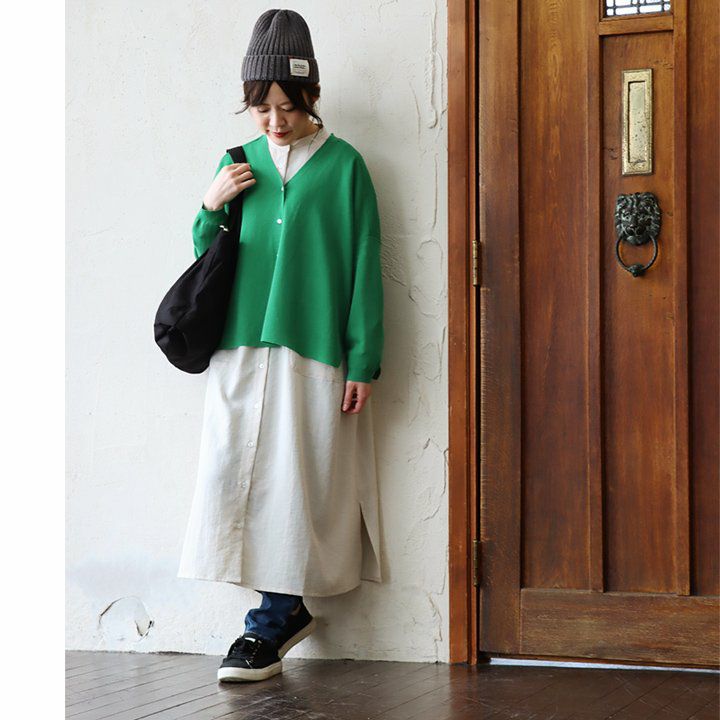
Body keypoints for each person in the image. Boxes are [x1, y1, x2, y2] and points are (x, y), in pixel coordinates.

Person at [176, 9, 385, 683]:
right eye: (261, 107)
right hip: (239, 345)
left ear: (311, 95)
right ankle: (274, 615)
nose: (274, 120)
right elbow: (208, 258)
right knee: (231, 478)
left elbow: (365, 265)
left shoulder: (346, 167)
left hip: (312, 348)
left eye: (287, 106)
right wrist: (210, 204)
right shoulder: (237, 163)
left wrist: (363, 360)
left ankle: (274, 619)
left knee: (296, 486)